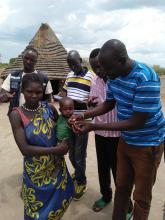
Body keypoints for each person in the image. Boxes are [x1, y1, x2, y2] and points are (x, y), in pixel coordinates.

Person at [70, 39, 165, 220]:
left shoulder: (146, 77)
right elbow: (108, 104)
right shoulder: (114, 76)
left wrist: (94, 125)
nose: (103, 73)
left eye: (107, 68)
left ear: (121, 61)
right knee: (121, 187)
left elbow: (136, 122)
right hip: (126, 140)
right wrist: (83, 115)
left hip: (148, 144)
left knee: (141, 197)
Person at [9, 73, 74, 220]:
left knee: (57, 207)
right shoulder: (16, 115)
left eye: (38, 92)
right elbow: (24, 149)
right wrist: (57, 150)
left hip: (56, 168)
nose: (34, 96)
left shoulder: (49, 108)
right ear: (22, 91)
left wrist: (69, 136)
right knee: (36, 212)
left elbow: (61, 127)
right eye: (29, 92)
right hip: (35, 174)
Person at [60, 50, 95, 200]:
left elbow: (94, 102)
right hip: (69, 119)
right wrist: (62, 96)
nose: (72, 67)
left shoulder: (91, 77)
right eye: (70, 65)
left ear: (80, 60)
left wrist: (83, 104)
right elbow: (65, 91)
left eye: (74, 63)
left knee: (79, 155)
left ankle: (82, 182)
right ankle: (78, 172)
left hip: (82, 121)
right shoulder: (69, 75)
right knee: (72, 152)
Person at [89, 48, 120, 211]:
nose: (99, 71)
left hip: (118, 133)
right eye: (94, 68)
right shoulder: (94, 81)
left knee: (119, 171)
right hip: (100, 132)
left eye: (100, 66)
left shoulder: (119, 79)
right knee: (103, 167)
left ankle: (126, 204)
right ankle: (106, 196)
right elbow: (95, 103)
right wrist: (90, 104)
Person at [0, 47, 53, 114]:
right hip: (16, 116)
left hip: (37, 117)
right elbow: (2, 93)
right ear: (22, 57)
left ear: (36, 61)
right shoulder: (13, 76)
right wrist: (4, 96)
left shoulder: (44, 79)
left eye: (32, 60)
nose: (28, 62)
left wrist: (41, 110)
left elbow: (49, 99)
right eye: (26, 58)